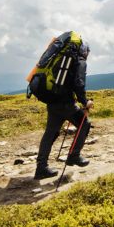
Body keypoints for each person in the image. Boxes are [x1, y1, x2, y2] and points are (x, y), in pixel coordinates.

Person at [34, 42, 93, 180]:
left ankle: (41, 168)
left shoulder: (61, 58)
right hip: (66, 103)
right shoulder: (80, 61)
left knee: (50, 133)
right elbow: (79, 83)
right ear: (85, 51)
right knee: (85, 124)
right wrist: (85, 102)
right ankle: (74, 155)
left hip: (52, 101)